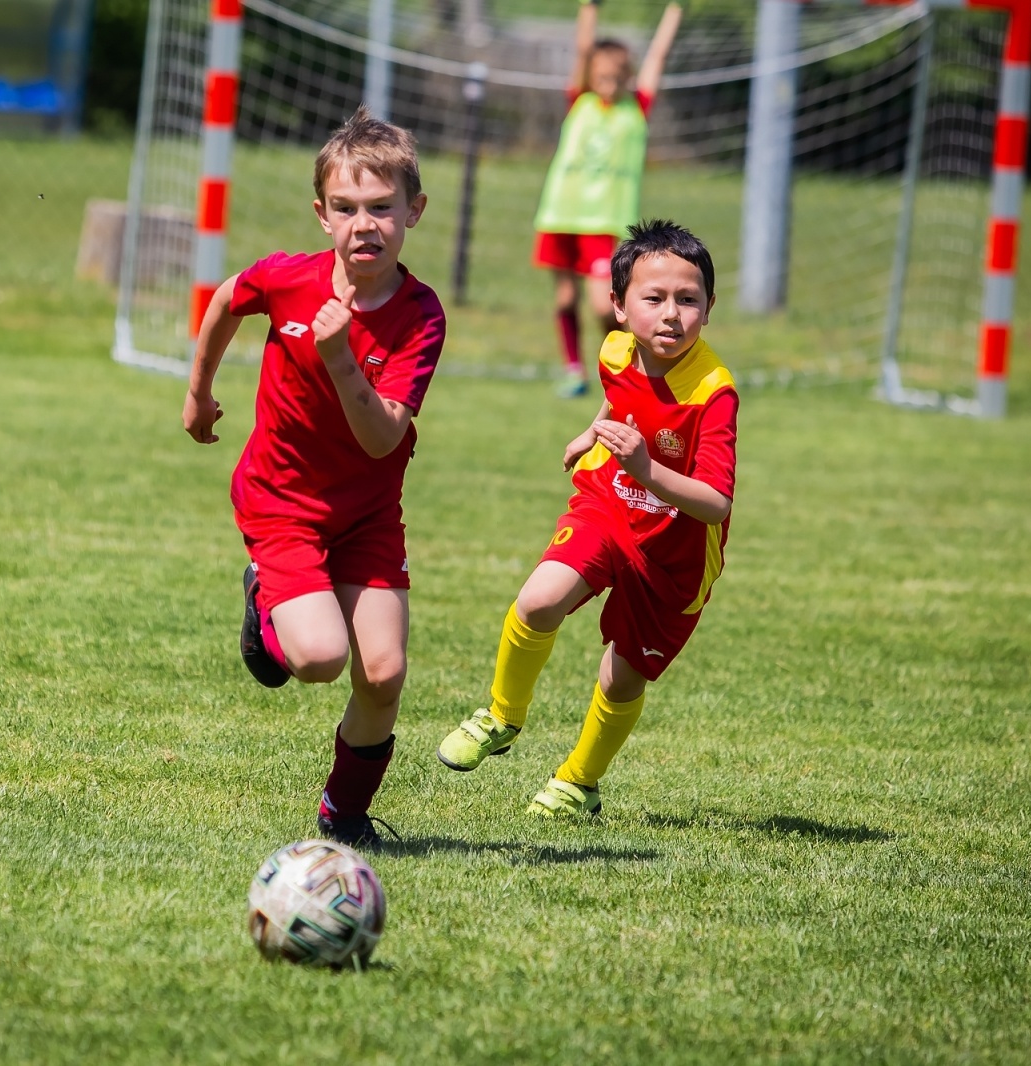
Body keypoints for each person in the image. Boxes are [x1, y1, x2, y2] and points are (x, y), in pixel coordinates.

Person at [182, 107, 445, 847]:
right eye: (347, 208)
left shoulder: (421, 315)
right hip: (283, 503)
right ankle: (265, 596)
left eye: (382, 207)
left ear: (414, 211)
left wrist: (340, 358)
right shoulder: (289, 279)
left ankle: (344, 815)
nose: (365, 225)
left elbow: (381, 437)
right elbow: (228, 297)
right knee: (321, 659)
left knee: (384, 672)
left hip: (367, 512)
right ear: (322, 214)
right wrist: (199, 392)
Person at [436, 219, 736, 817]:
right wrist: (592, 431)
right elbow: (619, 395)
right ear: (619, 306)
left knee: (622, 677)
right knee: (538, 601)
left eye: (688, 300)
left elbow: (716, 501)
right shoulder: (616, 350)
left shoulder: (713, 391)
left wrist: (648, 469)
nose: (671, 315)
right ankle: (501, 716)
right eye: (653, 298)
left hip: (674, 554)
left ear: (709, 308)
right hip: (608, 503)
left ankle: (579, 781)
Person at [534, 0, 684, 398]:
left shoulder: (636, 110)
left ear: (627, 77)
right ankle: (573, 370)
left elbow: (657, 55)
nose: (608, 83)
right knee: (565, 299)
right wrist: (589, 8)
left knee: (605, 306)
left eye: (616, 77)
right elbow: (584, 48)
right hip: (561, 214)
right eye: (601, 76)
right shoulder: (580, 101)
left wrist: (675, 10)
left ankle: (621, 368)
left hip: (603, 221)